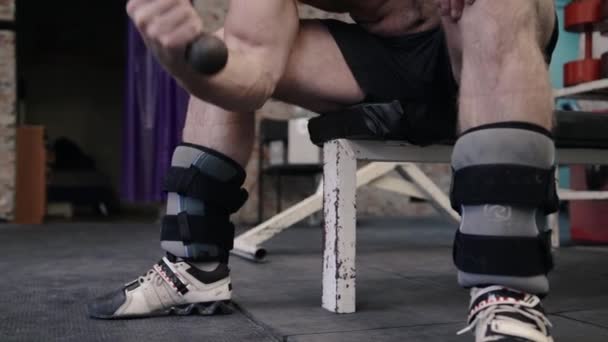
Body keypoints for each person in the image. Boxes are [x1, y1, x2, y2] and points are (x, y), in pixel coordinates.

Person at [89, 0, 559, 340]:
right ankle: (192, 268)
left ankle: (505, 290)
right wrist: (187, 63)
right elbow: (251, 75)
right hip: (386, 60)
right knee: (222, 54)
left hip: (488, 33)